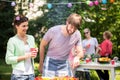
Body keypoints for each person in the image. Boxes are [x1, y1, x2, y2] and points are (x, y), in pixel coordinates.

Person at [38, 13, 84, 77]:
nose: (72, 30)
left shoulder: (77, 34)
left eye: (75, 29)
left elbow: (80, 52)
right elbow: (42, 45)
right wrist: (41, 63)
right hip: (50, 62)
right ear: (67, 22)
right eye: (71, 27)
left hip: (64, 63)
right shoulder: (53, 31)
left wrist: (77, 57)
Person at [5, 15, 38, 80]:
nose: (26, 28)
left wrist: (34, 53)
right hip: (18, 76)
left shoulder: (31, 38)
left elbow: (33, 57)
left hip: (31, 74)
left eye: (27, 25)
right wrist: (25, 56)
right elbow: (8, 60)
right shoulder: (12, 40)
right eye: (23, 26)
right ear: (17, 26)